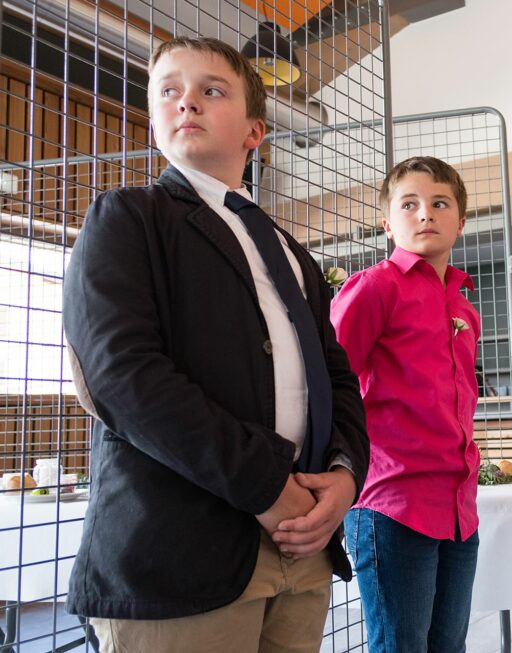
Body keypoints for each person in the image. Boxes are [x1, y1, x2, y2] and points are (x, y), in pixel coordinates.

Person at [61, 37, 369, 652]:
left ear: (255, 131)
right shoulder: (127, 218)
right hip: (177, 554)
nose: (187, 102)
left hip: (302, 550)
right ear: (154, 128)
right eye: (169, 91)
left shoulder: (293, 254)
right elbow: (121, 377)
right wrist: (264, 484)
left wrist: (345, 474)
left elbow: (335, 376)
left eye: (212, 90)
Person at [330, 156, 481, 652]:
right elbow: (329, 381)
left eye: (440, 204)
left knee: (449, 647)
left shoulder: (463, 308)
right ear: (387, 221)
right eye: (409, 204)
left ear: (460, 221)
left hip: (459, 510)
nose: (425, 215)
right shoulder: (374, 288)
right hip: (393, 504)